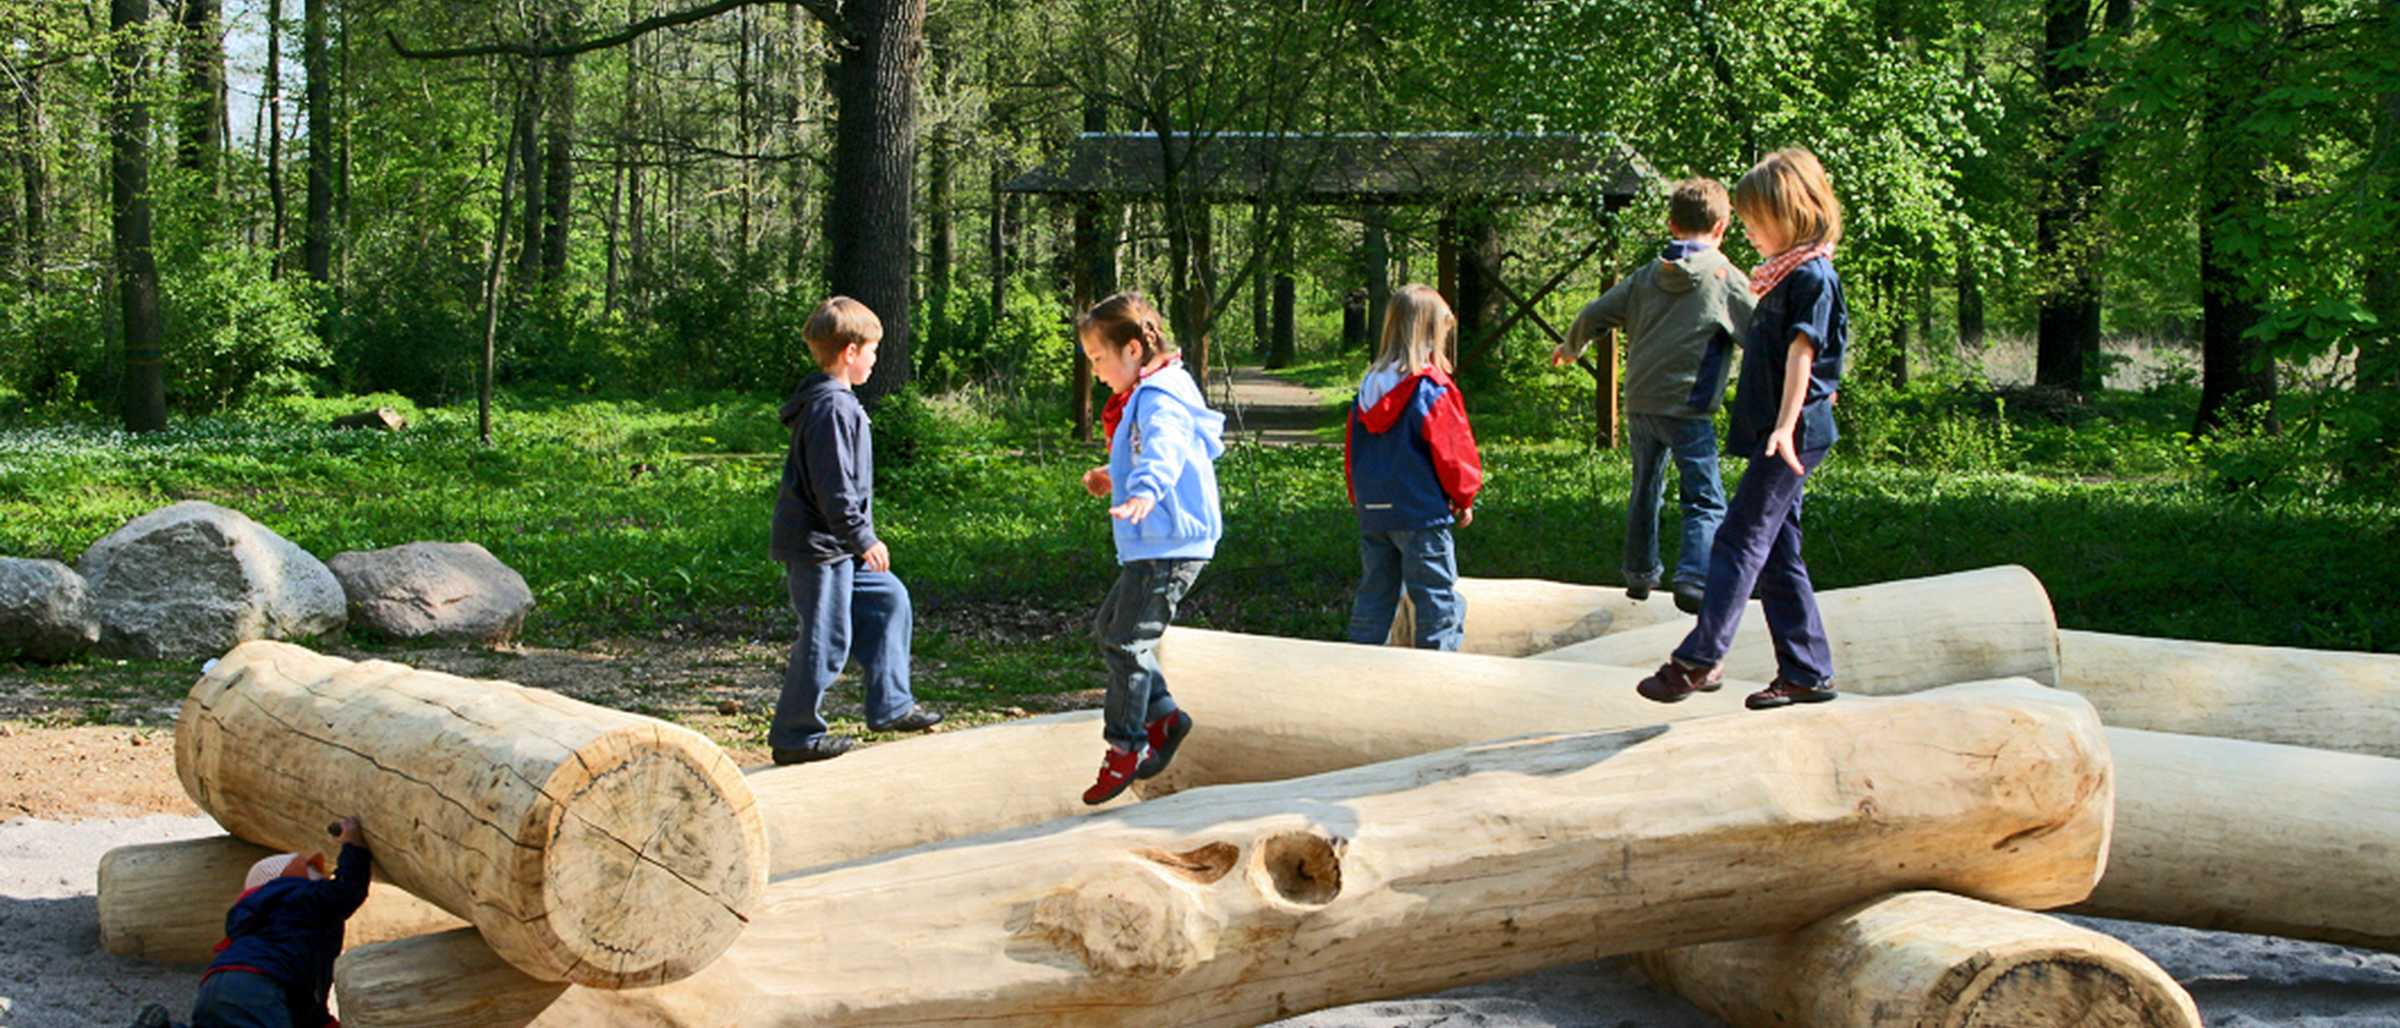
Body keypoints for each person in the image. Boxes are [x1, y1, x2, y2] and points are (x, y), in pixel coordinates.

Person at [1636, 148, 1850, 711]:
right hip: (1777, 431)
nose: (1748, 231)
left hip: (1794, 431)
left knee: (1738, 537)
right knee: (1778, 552)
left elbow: (1804, 354)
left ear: (1793, 212)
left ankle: (1701, 658)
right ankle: (1807, 671)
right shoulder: (1783, 276)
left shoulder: (1813, 277)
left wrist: (1783, 428)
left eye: (1756, 220)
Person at [1554, 178, 1752, 614]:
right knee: (1703, 495)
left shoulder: (1647, 275)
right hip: (1689, 406)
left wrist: (1572, 347)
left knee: (1646, 486)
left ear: (1671, 224)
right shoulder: (1724, 278)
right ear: (1722, 227)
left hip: (1641, 400)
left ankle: (1639, 575)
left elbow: (1594, 313)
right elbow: (1761, 332)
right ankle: (1694, 577)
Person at [767, 296, 942, 765]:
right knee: (825, 639)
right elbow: (834, 488)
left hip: (836, 544)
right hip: (821, 547)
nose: (875, 358)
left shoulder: (837, 402)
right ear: (849, 352)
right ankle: (795, 737)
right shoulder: (830, 408)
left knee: (888, 599)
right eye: (873, 350)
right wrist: (862, 537)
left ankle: (891, 704)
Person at [1075, 291, 1225, 805]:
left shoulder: (1162, 397)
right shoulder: (1153, 391)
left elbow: (1163, 449)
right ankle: (1165, 717)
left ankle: (1126, 745)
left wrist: (1142, 490)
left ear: (1134, 349)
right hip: (1155, 541)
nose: (1095, 371)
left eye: (1098, 358)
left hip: (1170, 542)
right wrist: (1115, 477)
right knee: (1110, 629)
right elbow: (1152, 456)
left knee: (1129, 642)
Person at [1342, 283, 1482, 650]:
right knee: (1436, 599)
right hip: (1420, 514)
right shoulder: (1431, 388)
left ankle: (1355, 665)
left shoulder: (1369, 386)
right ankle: (1437, 676)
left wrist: (1358, 497)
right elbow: (1454, 450)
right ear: (1431, 333)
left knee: (1374, 596)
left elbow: (1352, 450)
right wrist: (1463, 495)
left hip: (1375, 513)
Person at [180, 817, 373, 1028]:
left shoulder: (264, 925)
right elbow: (346, 890)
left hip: (216, 983)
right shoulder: (298, 898)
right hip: (259, 985)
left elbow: (305, 1001)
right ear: (290, 878)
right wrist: (353, 846)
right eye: (314, 871)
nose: (324, 876)